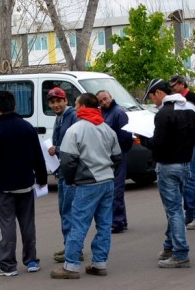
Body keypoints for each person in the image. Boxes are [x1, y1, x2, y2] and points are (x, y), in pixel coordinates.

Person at [0, 91, 49, 276]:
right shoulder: (27, 127)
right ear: (15, 107)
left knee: (5, 225)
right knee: (27, 224)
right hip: (26, 183)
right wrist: (42, 179)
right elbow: (38, 157)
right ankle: (31, 261)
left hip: (3, 186)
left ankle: (8, 265)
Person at [52, 93, 122, 279]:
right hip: (107, 181)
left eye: (76, 104)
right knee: (104, 224)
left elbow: (67, 160)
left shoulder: (75, 130)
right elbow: (117, 157)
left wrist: (71, 179)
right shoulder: (107, 129)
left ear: (82, 106)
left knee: (79, 224)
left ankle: (71, 265)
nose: (74, 107)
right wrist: (109, 173)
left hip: (87, 183)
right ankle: (99, 263)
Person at [138, 79, 195, 269]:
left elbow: (159, 143)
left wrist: (143, 141)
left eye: (151, 97)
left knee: (173, 211)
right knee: (175, 209)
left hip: (167, 165)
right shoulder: (190, 108)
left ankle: (180, 252)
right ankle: (169, 246)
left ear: (158, 93)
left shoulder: (164, 113)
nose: (153, 101)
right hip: (185, 163)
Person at [168, 74, 195, 230]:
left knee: (190, 180)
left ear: (182, 84)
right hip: (185, 144)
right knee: (186, 180)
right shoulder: (176, 100)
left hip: (194, 143)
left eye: (174, 86)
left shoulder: (193, 99)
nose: (172, 89)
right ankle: (191, 214)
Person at [46, 87, 79, 263]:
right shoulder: (59, 118)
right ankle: (70, 246)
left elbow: (75, 143)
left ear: (66, 101)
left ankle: (73, 250)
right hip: (61, 171)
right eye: (52, 102)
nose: (56, 105)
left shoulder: (73, 116)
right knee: (64, 211)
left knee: (70, 212)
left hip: (71, 173)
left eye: (59, 101)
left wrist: (56, 149)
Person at [97, 90, 133, 233]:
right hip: (107, 157)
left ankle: (117, 222)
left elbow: (126, 137)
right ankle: (121, 220)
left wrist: (118, 151)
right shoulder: (102, 113)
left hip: (117, 156)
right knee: (112, 189)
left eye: (105, 99)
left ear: (111, 96)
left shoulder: (119, 113)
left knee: (116, 189)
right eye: (100, 101)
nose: (104, 102)